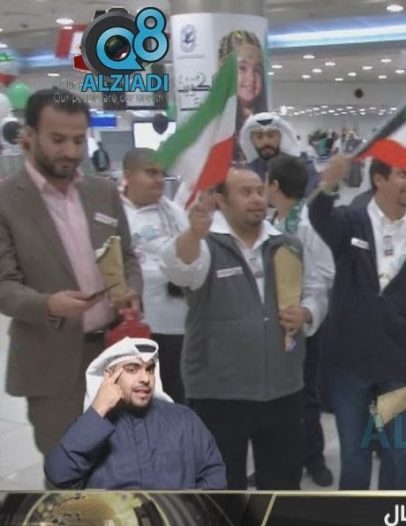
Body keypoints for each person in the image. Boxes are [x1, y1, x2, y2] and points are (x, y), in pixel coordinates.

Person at [0, 87, 142, 457]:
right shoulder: (7, 201)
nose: (70, 151)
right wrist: (48, 304)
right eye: (58, 139)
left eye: (78, 140)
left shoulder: (103, 192)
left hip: (113, 350)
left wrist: (131, 290)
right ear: (29, 135)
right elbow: (4, 285)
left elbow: (128, 256)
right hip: (50, 358)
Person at [160, 166, 318, 490]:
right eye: (245, 192)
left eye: (260, 191)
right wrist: (193, 234)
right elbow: (180, 270)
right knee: (221, 487)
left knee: (283, 484)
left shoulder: (287, 245)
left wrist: (306, 312)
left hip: (283, 388)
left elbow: (316, 290)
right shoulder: (206, 246)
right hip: (220, 393)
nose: (257, 199)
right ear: (222, 200)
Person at [307, 155, 406, 490]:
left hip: (402, 364)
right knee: (355, 456)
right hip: (350, 362)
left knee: (401, 455)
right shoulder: (350, 223)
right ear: (379, 180)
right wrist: (329, 183)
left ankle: (394, 517)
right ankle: (357, 518)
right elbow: (319, 215)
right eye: (402, 173)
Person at [44, 338, 227, 489]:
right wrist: (98, 409)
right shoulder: (91, 425)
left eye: (149, 369)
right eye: (132, 369)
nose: (145, 378)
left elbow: (214, 477)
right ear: (109, 377)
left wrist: (190, 514)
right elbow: (58, 475)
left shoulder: (184, 420)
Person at [265, 153, 336, 488]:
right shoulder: (269, 223)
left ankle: (314, 458)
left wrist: (304, 307)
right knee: (274, 397)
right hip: (272, 323)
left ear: (273, 185)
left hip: (305, 323)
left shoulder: (306, 224)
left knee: (306, 394)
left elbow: (326, 273)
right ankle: (278, 459)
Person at [119, 148, 188, 402]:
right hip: (132, 321)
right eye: (150, 173)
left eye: (161, 173)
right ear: (128, 175)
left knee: (175, 393)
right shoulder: (113, 211)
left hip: (176, 322)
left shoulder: (174, 212)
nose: (159, 180)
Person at [239, 112, 320, 196]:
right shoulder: (249, 170)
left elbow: (311, 198)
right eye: (259, 137)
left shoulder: (302, 166)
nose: (266, 141)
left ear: (280, 137)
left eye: (271, 135)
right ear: (251, 140)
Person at [219, 30, 267, 142]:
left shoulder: (267, 123)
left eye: (257, 69)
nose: (251, 78)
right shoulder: (215, 125)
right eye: (242, 68)